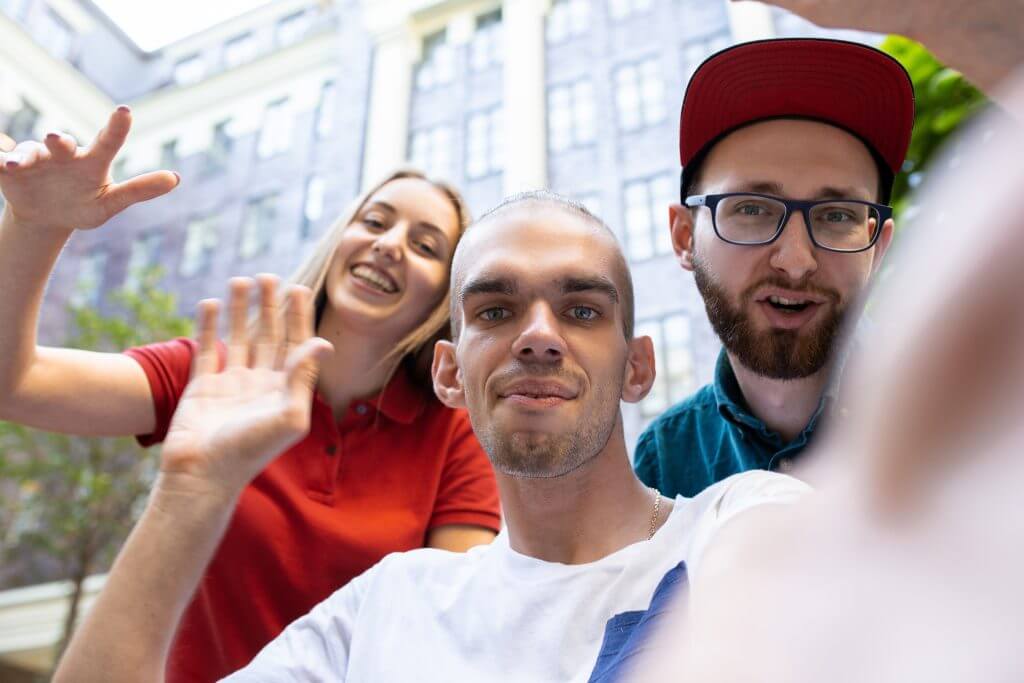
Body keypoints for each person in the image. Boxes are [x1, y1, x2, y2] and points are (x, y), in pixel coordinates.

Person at [51, 192, 809, 682]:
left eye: (582, 310)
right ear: (448, 372)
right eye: (495, 311)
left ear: (637, 367)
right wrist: (191, 490)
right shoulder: (383, 606)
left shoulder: (739, 518)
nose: (539, 337)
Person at [0, 108, 501, 680]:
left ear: (447, 297)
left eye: (427, 245)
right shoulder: (223, 372)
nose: (389, 245)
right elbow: (13, 383)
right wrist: (35, 225)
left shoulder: (455, 433)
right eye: (375, 221)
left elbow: (439, 637)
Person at [633, 37, 913, 497]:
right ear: (684, 236)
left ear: (877, 247)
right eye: (751, 210)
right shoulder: (662, 464)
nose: (796, 262)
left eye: (837, 215)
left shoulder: (975, 423)